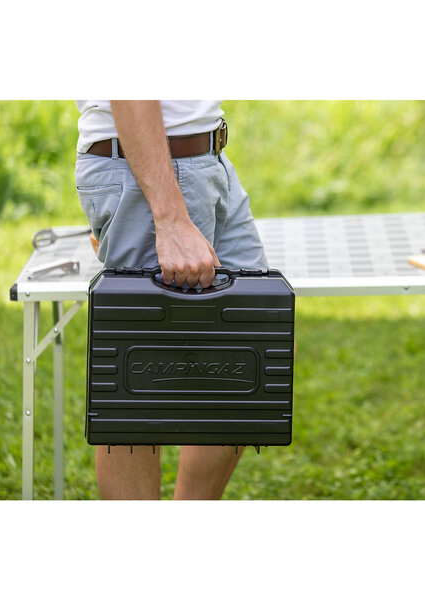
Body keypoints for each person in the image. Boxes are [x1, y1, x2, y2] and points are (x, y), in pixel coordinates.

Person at [75, 100, 268, 500]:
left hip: (209, 160)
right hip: (153, 172)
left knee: (257, 347)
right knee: (137, 387)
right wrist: (170, 217)